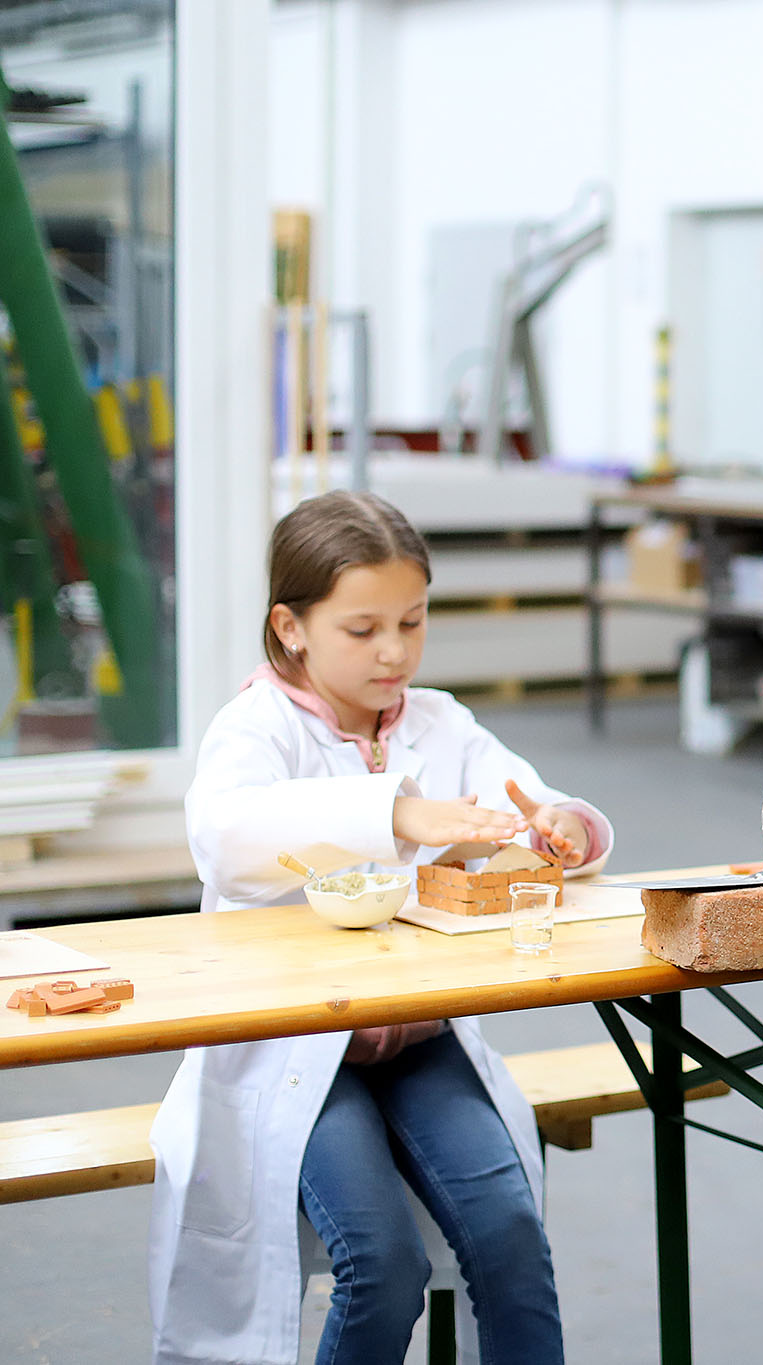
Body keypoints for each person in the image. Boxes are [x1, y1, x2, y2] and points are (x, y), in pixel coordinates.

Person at [150, 491, 613, 1365]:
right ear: (290, 626)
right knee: (382, 1263)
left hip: (419, 1036)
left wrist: (563, 826)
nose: (394, 651)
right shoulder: (255, 730)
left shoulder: (440, 723)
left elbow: (525, 796)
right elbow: (224, 837)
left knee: (512, 1233)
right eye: (362, 630)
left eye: (412, 620)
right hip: (297, 1045)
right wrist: (401, 812)